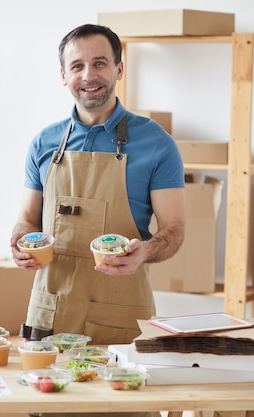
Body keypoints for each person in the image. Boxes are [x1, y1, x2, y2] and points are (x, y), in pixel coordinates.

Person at [10, 23, 185, 349]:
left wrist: (143, 251)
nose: (88, 75)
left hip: (120, 316)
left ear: (118, 68)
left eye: (100, 63)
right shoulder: (43, 143)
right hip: (50, 314)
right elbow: (27, 219)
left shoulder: (157, 144)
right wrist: (20, 241)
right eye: (77, 66)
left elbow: (174, 230)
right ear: (63, 75)